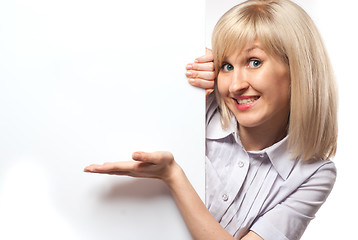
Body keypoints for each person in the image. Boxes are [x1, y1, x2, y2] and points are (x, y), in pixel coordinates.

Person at [84, 0, 338, 239]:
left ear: (298, 69)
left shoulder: (314, 174)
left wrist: (173, 175)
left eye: (254, 61)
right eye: (227, 66)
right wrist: (179, 71)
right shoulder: (199, 104)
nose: (235, 85)